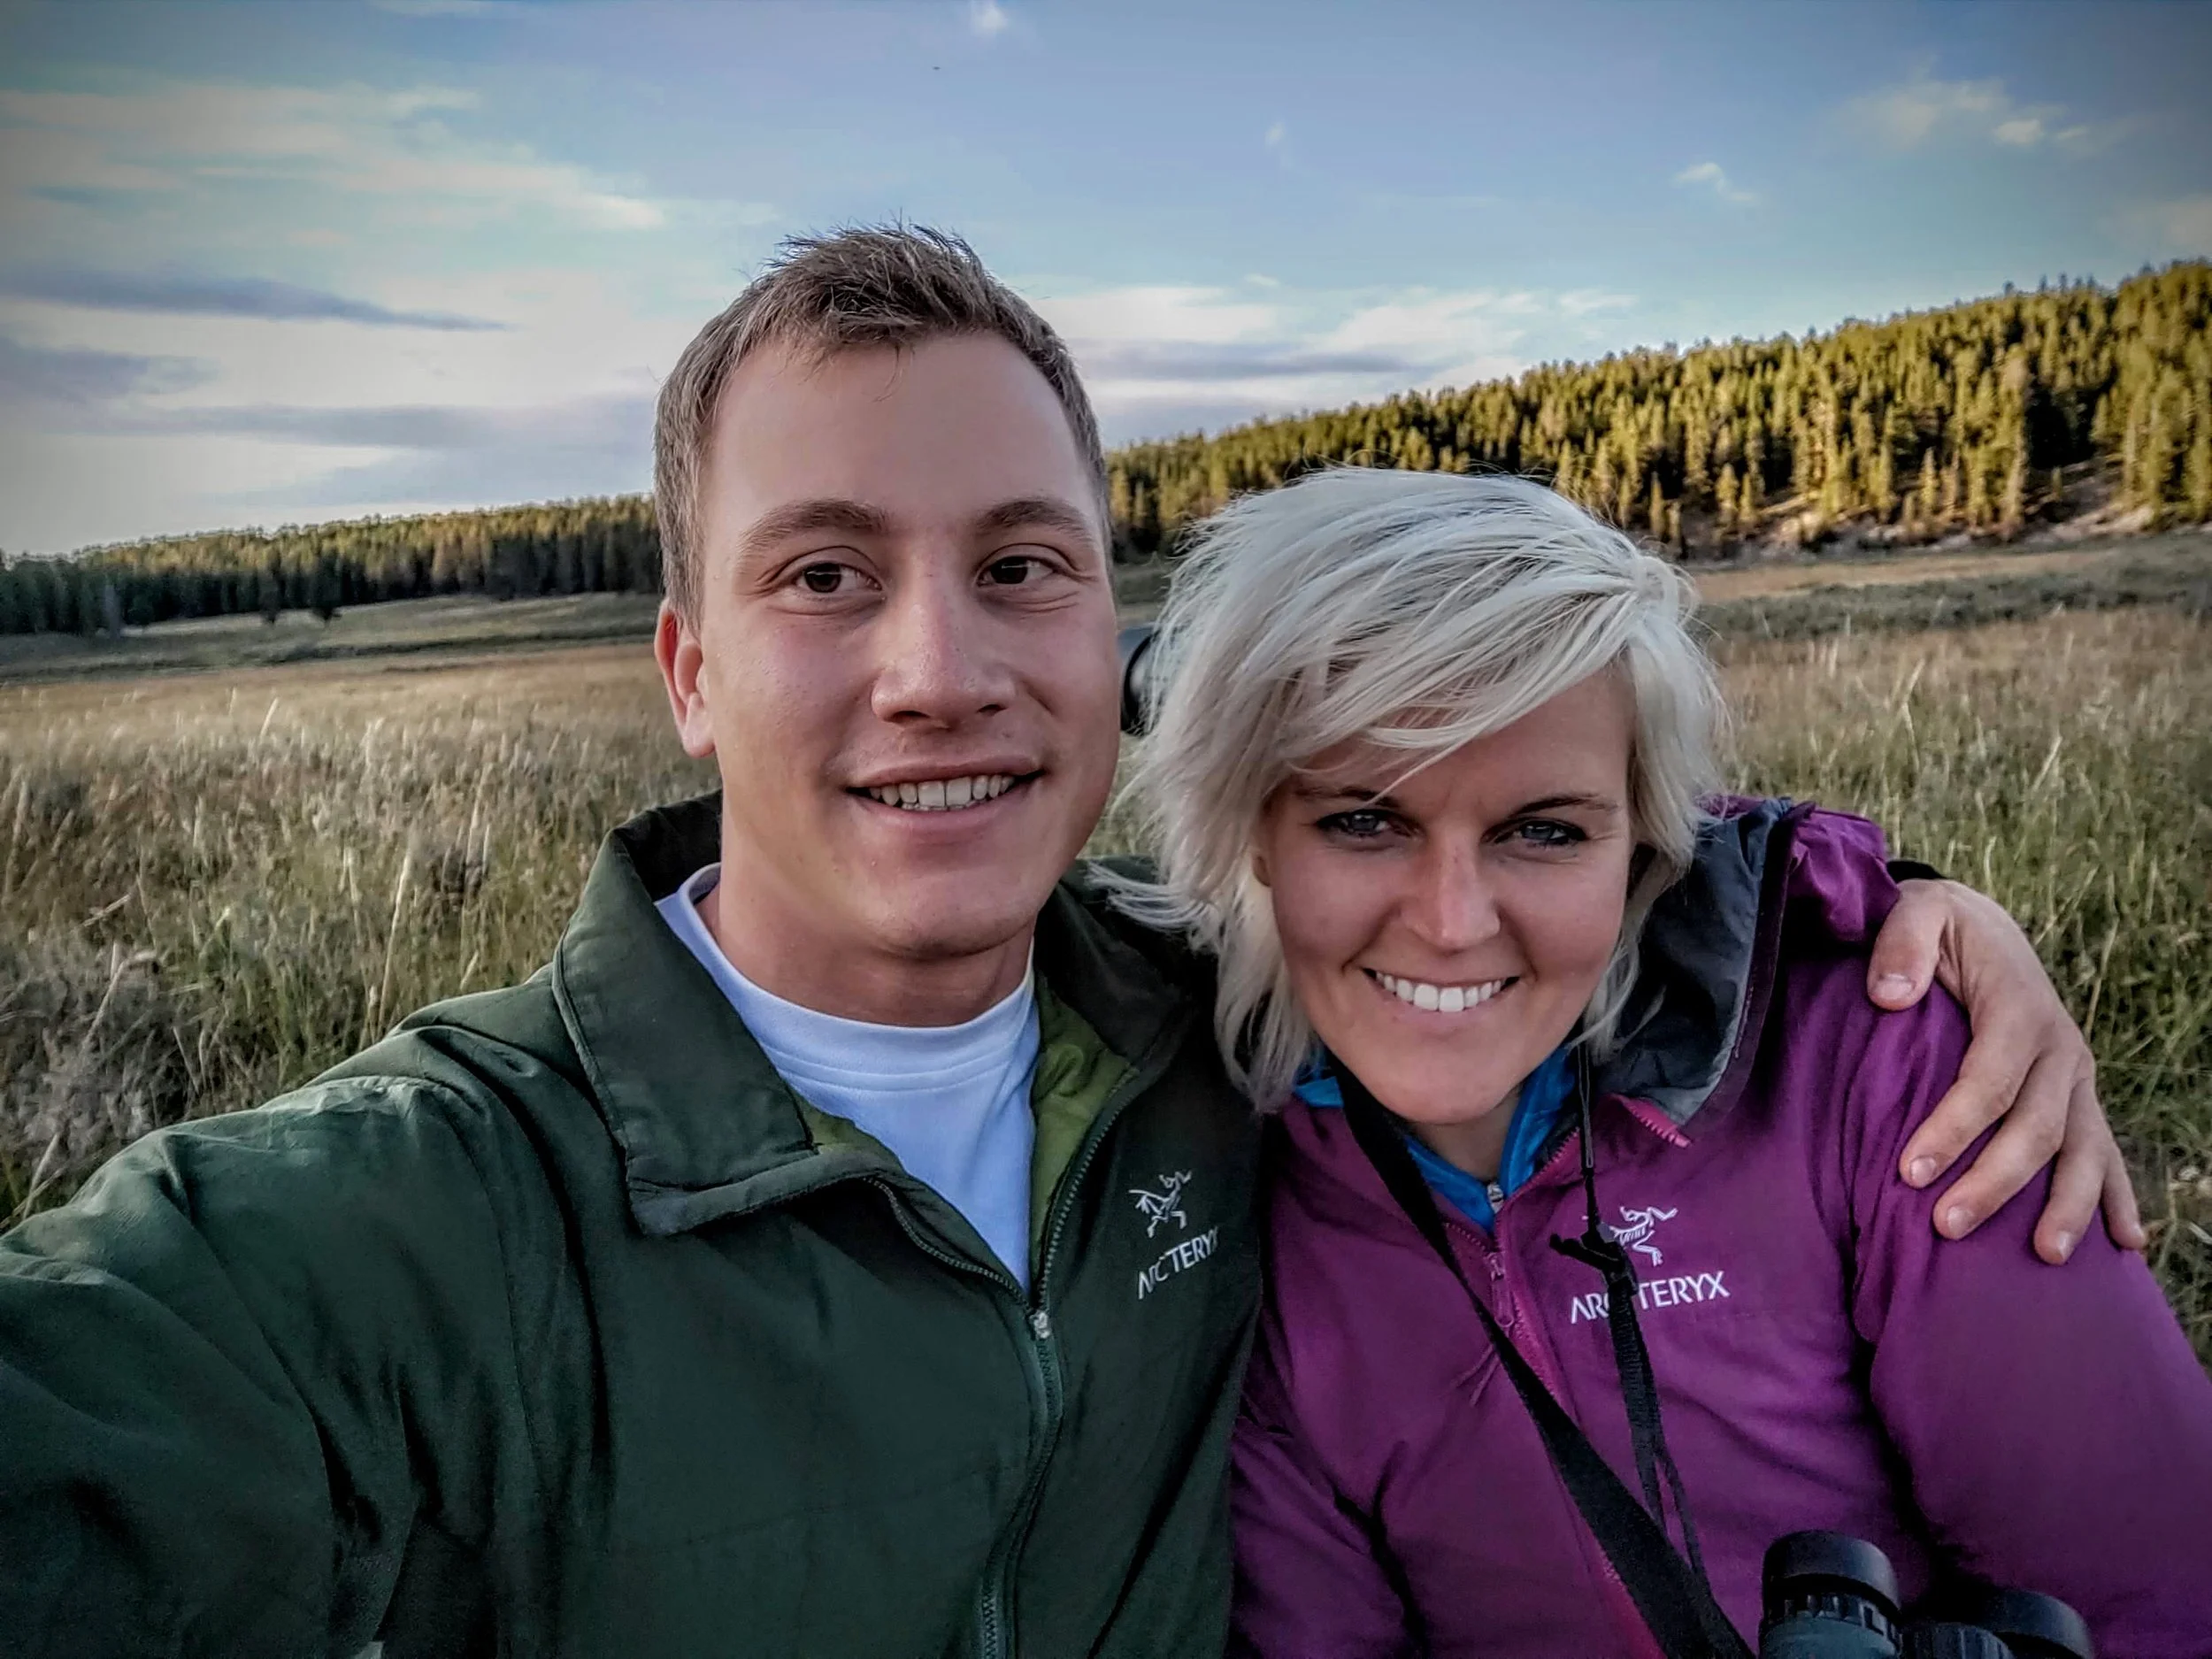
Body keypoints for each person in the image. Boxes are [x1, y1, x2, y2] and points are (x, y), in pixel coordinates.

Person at [0, 228, 2143, 1657]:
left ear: (1106, 643)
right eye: (823, 575)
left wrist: (1885, 912)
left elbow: (1509, 843)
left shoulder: (1222, 1024)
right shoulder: (425, 1208)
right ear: (685, 669)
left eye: (1020, 564)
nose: (940, 670)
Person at [1108, 467, 2212, 1657]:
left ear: (1644, 845)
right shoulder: (1212, 1186)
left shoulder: (1875, 1062)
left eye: (1544, 830)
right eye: (1364, 820)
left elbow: (2151, 1588)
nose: (1451, 921)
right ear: (1256, 834)